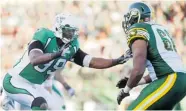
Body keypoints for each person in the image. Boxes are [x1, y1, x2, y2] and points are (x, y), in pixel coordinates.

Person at [2, 13, 132, 110]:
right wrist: (57, 54)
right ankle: (8, 100)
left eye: (73, 31)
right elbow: (34, 59)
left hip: (35, 85)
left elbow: (90, 61)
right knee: (40, 103)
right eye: (68, 30)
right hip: (15, 81)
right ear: (58, 28)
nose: (71, 34)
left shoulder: (71, 46)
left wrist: (116, 61)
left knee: (56, 108)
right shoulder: (45, 36)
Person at [116, 2, 186, 110]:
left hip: (169, 79)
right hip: (180, 80)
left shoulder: (139, 29)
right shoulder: (159, 29)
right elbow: (162, 68)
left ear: (135, 16)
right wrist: (137, 82)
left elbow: (138, 69)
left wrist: (126, 90)